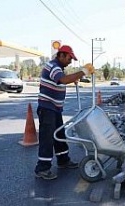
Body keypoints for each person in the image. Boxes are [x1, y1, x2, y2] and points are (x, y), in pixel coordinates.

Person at [35, 45, 95, 180]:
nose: (70, 61)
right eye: (69, 58)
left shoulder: (59, 68)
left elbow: (63, 79)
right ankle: (42, 168)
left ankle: (63, 160)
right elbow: (63, 80)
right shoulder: (53, 66)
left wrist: (74, 77)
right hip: (47, 107)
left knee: (59, 134)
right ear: (61, 55)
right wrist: (83, 71)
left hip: (54, 108)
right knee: (47, 137)